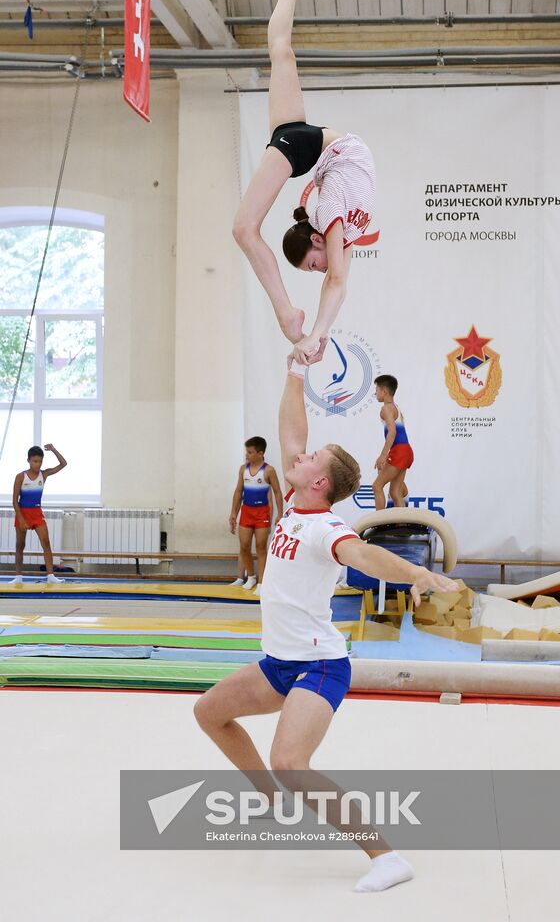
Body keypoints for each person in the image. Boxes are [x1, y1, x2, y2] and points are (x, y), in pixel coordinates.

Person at [195, 356, 457, 893]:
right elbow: (293, 428)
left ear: (319, 481)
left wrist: (415, 574)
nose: (300, 453)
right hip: (279, 663)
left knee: (292, 760)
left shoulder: (326, 529)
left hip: (319, 664)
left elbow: (362, 556)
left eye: (311, 457)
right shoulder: (294, 500)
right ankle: (269, 799)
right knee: (209, 712)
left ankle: (387, 858)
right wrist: (294, 371)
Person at [232, 0, 376, 366]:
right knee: (243, 229)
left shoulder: (335, 223)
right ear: (318, 239)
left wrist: (317, 335)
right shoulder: (336, 219)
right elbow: (337, 279)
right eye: (313, 266)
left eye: (310, 265)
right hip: (315, 147)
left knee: (281, 51)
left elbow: (336, 280)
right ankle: (282, 312)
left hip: (315, 146)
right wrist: (311, 332)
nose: (319, 269)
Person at [229, 437, 283, 593]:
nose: (247, 455)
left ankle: (261, 582)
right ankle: (251, 576)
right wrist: (233, 512)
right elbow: (239, 492)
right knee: (244, 546)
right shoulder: (243, 469)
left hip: (262, 513)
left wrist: (279, 514)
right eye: (246, 451)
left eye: (250, 452)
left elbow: (277, 492)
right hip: (246, 511)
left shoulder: (269, 470)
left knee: (261, 547)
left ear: (260, 453)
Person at [11, 443, 67, 584]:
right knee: (20, 545)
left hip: (36, 512)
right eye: (35, 461)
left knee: (46, 542)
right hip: (22, 512)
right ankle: (18, 576)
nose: (37, 464)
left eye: (40, 461)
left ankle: (50, 576)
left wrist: (54, 449)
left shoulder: (44, 474)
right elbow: (14, 501)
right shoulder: (20, 477)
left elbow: (63, 464)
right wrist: (21, 518)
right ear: (29, 460)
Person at [372, 375, 414, 512]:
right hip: (406, 450)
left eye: (376, 390)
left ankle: (379, 523)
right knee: (396, 492)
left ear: (384, 392)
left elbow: (392, 433)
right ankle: (402, 524)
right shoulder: (396, 407)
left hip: (399, 451)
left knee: (377, 486)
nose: (375, 393)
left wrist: (383, 455)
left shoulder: (386, 408)